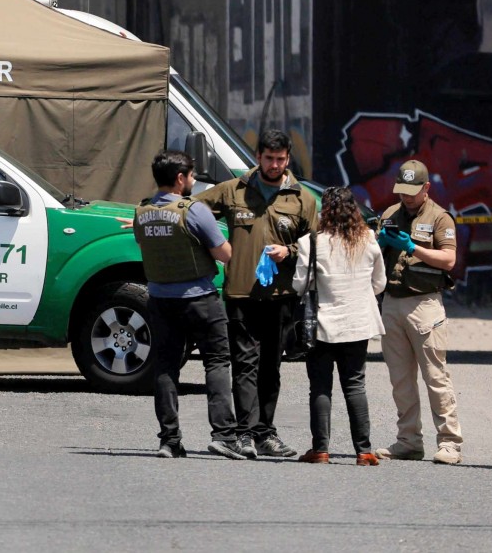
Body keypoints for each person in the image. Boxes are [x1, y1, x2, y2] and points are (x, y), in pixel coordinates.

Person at [195, 129, 316, 459]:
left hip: (280, 297)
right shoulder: (234, 190)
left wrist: (288, 250)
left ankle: (265, 433)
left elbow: (316, 243)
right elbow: (192, 211)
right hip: (240, 294)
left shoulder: (302, 199)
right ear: (258, 157)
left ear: (288, 158)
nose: (274, 165)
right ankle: (245, 434)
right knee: (244, 363)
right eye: (268, 158)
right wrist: (155, 216)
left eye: (280, 159)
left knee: (271, 367)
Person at [132, 151, 242, 459]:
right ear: (180, 178)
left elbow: (148, 245)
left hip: (160, 300)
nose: (193, 181)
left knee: (166, 366)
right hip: (200, 299)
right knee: (217, 362)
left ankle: (169, 439)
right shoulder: (193, 211)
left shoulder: (142, 212)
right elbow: (224, 254)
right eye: (192, 176)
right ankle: (223, 435)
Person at [374, 160, 464, 465]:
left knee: (436, 376)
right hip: (393, 301)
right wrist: (377, 241)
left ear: (426, 188)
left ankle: (450, 442)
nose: (407, 197)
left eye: (413, 191)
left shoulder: (440, 218)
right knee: (400, 379)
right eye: (402, 191)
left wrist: (413, 248)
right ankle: (408, 440)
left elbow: (449, 260)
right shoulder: (389, 215)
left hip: (424, 304)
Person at [293, 187, 386, 466]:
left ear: (325, 212)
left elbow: (300, 285)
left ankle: (320, 450)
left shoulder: (311, 242)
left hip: (322, 325)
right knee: (355, 386)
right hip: (358, 323)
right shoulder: (369, 238)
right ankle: (364, 451)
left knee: (320, 387)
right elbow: (379, 282)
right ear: (354, 211)